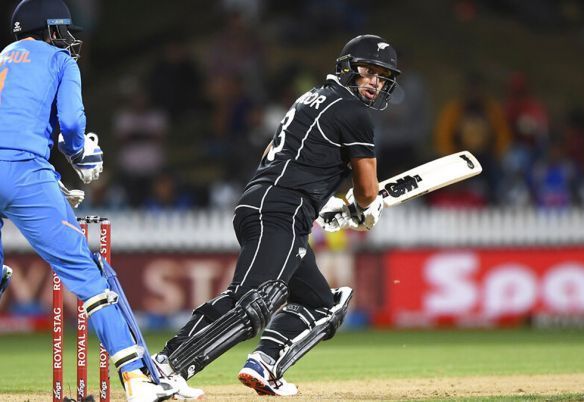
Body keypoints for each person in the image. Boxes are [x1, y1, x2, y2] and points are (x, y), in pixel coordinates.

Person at [153, 34, 401, 396]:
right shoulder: (353, 113)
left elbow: (277, 152)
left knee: (321, 304)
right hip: (282, 210)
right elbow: (366, 189)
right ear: (347, 67)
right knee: (253, 299)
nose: (374, 83)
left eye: (382, 77)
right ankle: (168, 364)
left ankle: (264, 363)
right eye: (368, 71)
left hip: (266, 201)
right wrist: (365, 209)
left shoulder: (310, 98)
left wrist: (323, 202)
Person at [0, 1, 197, 400]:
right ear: (48, 28)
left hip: (23, 168)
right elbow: (71, 126)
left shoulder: (3, 57)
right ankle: (136, 381)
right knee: (90, 277)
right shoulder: (58, 60)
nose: (68, 38)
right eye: (63, 29)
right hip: (22, 171)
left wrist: (52, 180)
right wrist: (80, 156)